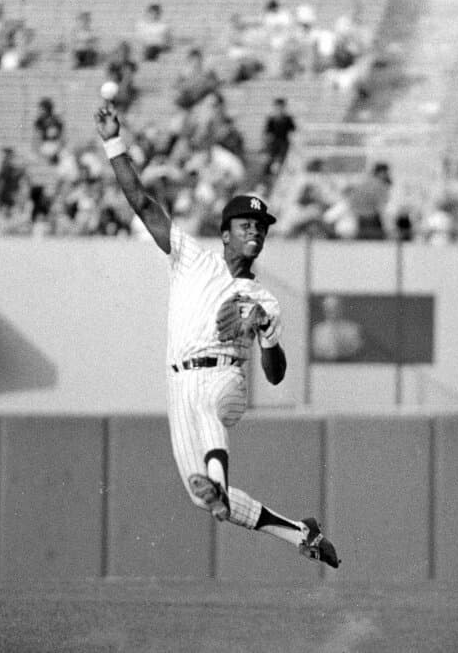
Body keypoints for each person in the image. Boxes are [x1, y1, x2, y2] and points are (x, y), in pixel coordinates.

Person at [94, 102, 340, 569]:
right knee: (204, 499)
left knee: (211, 421)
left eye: (262, 228)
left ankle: (219, 481)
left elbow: (276, 371)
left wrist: (268, 333)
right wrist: (113, 142)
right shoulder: (191, 258)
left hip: (227, 381)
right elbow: (142, 203)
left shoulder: (264, 299)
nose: (256, 234)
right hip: (178, 384)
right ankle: (300, 535)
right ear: (225, 234)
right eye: (247, 225)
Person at [311, 295, 363, 361]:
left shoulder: (353, 329)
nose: (332, 312)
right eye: (328, 309)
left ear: (341, 309)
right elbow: (316, 351)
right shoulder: (318, 330)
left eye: (335, 308)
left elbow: (356, 350)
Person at [262, 98, 296, 178]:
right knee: (270, 160)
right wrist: (267, 142)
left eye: (281, 107)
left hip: (284, 143)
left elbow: (293, 130)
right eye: (277, 107)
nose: (279, 109)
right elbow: (267, 132)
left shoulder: (288, 119)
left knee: (282, 160)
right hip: (274, 143)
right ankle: (267, 177)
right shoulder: (272, 119)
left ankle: (280, 176)